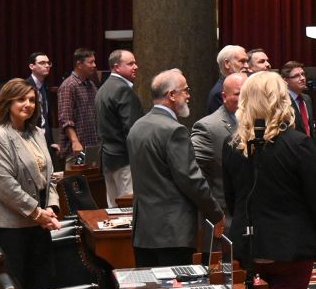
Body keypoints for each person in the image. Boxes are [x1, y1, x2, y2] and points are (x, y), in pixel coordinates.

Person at [222, 72, 316, 289]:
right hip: (291, 248)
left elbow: (232, 199)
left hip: (248, 247)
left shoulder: (233, 145)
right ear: (281, 100)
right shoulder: (298, 144)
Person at [0, 79, 61, 289]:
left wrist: (51, 206)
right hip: (9, 225)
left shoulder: (37, 133)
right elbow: (6, 186)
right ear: (8, 103)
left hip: (39, 222)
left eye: (31, 99)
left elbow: (50, 176)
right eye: (21, 100)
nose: (28, 104)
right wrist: (38, 213)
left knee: (41, 287)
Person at [127, 69, 223, 266]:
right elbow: (190, 179)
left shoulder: (137, 126)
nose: (188, 96)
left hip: (143, 230)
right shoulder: (174, 130)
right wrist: (215, 214)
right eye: (185, 90)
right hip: (172, 231)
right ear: (171, 95)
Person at [191, 71, 246, 225]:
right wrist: (214, 212)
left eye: (247, 92)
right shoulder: (208, 127)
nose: (244, 98)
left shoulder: (260, 121)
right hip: (227, 216)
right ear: (224, 97)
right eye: (238, 93)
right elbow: (196, 176)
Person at [96, 49, 142, 207]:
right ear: (116, 67)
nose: (135, 66)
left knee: (114, 208)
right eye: (130, 64)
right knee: (129, 209)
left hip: (108, 159)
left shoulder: (103, 88)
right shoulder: (122, 90)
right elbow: (133, 129)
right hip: (124, 160)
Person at [57, 48, 99, 155]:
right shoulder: (69, 85)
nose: (94, 65)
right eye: (91, 62)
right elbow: (65, 118)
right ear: (79, 64)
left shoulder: (91, 85)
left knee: (92, 172)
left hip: (92, 144)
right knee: (77, 172)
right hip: (76, 148)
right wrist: (75, 141)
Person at [25, 52, 58, 159]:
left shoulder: (46, 87)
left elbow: (46, 118)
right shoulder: (25, 87)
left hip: (45, 141)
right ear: (32, 66)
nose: (47, 65)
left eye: (48, 63)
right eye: (42, 63)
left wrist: (50, 142)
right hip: (29, 141)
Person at [206, 44, 247, 115]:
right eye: (242, 61)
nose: (247, 66)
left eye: (247, 61)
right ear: (227, 64)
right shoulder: (218, 93)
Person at [280, 61, 315, 138]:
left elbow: (309, 127)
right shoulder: (282, 101)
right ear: (285, 81)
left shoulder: (307, 98)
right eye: (296, 76)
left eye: (303, 74)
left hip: (308, 145)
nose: (302, 78)